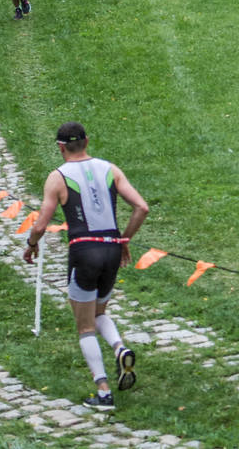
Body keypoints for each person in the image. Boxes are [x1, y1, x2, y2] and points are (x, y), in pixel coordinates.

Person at [22, 122, 149, 412]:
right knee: (99, 311)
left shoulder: (58, 177)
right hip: (111, 248)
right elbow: (142, 207)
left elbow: (41, 224)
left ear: (60, 147)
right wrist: (125, 239)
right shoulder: (110, 169)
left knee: (85, 326)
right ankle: (120, 348)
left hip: (84, 251)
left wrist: (31, 244)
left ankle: (103, 392)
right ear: (87, 141)